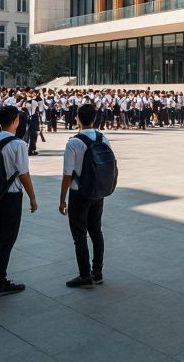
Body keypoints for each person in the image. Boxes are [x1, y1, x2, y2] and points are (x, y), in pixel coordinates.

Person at [0, 105, 37, 297]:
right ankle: (0, 281)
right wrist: (32, 197)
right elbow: (24, 174)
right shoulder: (18, 144)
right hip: (11, 196)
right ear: (15, 120)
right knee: (7, 239)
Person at [59, 103, 108, 288]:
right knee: (96, 231)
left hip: (78, 193)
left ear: (77, 118)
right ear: (94, 119)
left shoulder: (73, 143)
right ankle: (98, 272)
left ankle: (84, 275)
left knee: (79, 235)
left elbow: (67, 174)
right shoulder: (104, 139)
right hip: (98, 191)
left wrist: (62, 199)